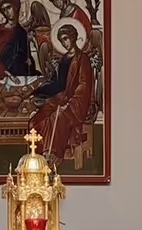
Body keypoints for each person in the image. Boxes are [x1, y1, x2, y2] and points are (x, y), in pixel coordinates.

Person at [28, 21, 96, 164]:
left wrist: (70, 103)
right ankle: (38, 156)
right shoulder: (64, 59)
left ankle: (53, 155)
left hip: (77, 103)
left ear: (73, 37)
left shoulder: (82, 59)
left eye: (66, 38)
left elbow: (84, 86)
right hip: (61, 99)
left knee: (56, 117)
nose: (64, 43)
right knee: (36, 121)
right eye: (61, 40)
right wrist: (37, 93)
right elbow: (56, 83)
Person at [0, 0, 39, 82]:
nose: (6, 12)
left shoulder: (22, 32)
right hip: (4, 75)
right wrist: (8, 74)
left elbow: (26, 58)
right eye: (3, 9)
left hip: (22, 74)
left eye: (8, 7)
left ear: (16, 7)